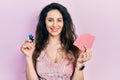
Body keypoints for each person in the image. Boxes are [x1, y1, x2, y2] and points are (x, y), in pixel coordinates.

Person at [21, 2, 92, 80]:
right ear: (44, 22)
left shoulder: (74, 48)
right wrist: (28, 57)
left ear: (64, 23)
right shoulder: (35, 47)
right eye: (50, 20)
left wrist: (80, 64)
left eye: (59, 20)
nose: (55, 25)